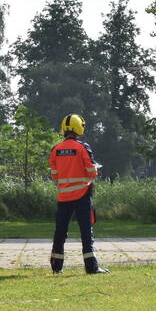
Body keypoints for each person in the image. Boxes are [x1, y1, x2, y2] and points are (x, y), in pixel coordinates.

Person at [48, 114, 107, 274]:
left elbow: (54, 176)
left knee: (60, 232)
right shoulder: (83, 147)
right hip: (82, 196)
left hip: (63, 197)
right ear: (78, 127)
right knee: (86, 232)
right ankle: (91, 267)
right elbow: (91, 172)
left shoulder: (56, 150)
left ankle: (56, 267)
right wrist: (95, 170)